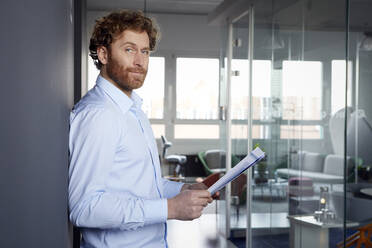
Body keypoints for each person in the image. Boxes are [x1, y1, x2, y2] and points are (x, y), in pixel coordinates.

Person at [68, 10, 214, 248]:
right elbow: (84, 208)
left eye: (144, 51)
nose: (140, 61)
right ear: (103, 54)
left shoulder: (132, 110)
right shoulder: (99, 115)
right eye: (129, 49)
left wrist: (184, 189)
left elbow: (144, 185)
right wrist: (172, 208)